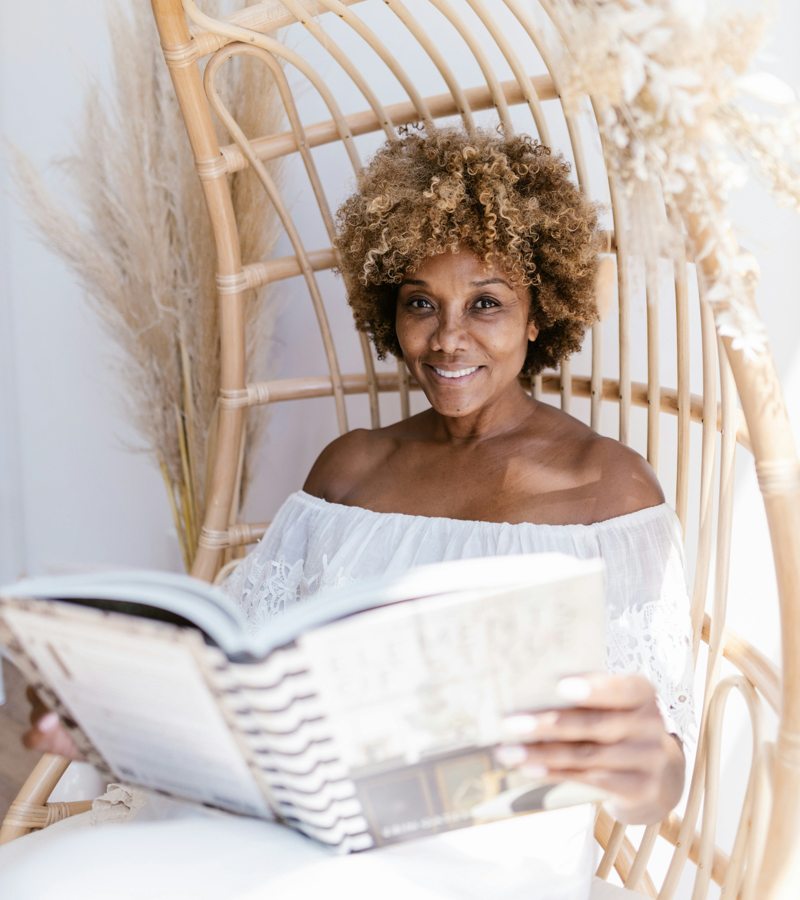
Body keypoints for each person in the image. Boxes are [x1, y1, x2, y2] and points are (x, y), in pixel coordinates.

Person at [14, 127, 695, 898]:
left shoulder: (608, 490)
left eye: (486, 304)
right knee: (60, 878)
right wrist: (112, 712)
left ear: (541, 313)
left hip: (482, 859)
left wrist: (643, 764)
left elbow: (658, 784)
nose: (446, 339)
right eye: (419, 304)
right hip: (306, 829)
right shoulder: (351, 469)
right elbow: (237, 675)